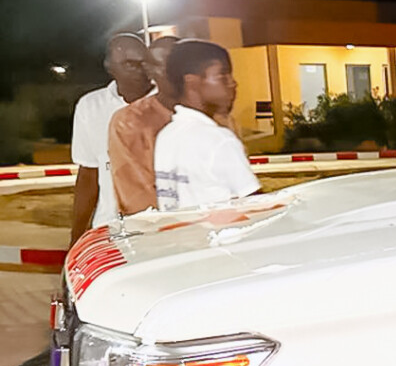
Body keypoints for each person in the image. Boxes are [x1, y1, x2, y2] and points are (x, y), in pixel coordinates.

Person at [154, 40, 260, 211]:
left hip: (183, 235)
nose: (233, 83)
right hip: (223, 236)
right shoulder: (218, 139)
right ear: (192, 82)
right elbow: (257, 207)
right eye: (223, 76)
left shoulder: (166, 135)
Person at [69, 33, 152, 241]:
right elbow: (88, 175)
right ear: (109, 66)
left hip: (162, 230)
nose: (137, 68)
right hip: (110, 230)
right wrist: (77, 239)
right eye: (128, 63)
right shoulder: (91, 107)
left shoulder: (169, 106)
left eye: (143, 61)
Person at [107, 35, 180, 216]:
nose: (177, 73)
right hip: (163, 234)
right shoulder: (130, 122)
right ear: (150, 70)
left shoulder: (212, 116)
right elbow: (139, 202)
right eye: (168, 65)